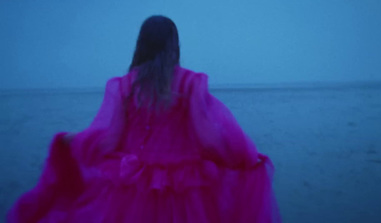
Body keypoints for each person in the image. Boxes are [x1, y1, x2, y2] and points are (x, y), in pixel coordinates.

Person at [7, 15, 281, 223]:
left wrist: (73, 141)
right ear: (175, 45)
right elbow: (208, 137)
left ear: (141, 45)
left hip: (130, 190)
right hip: (186, 192)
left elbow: (108, 139)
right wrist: (244, 155)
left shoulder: (125, 86)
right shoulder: (189, 83)